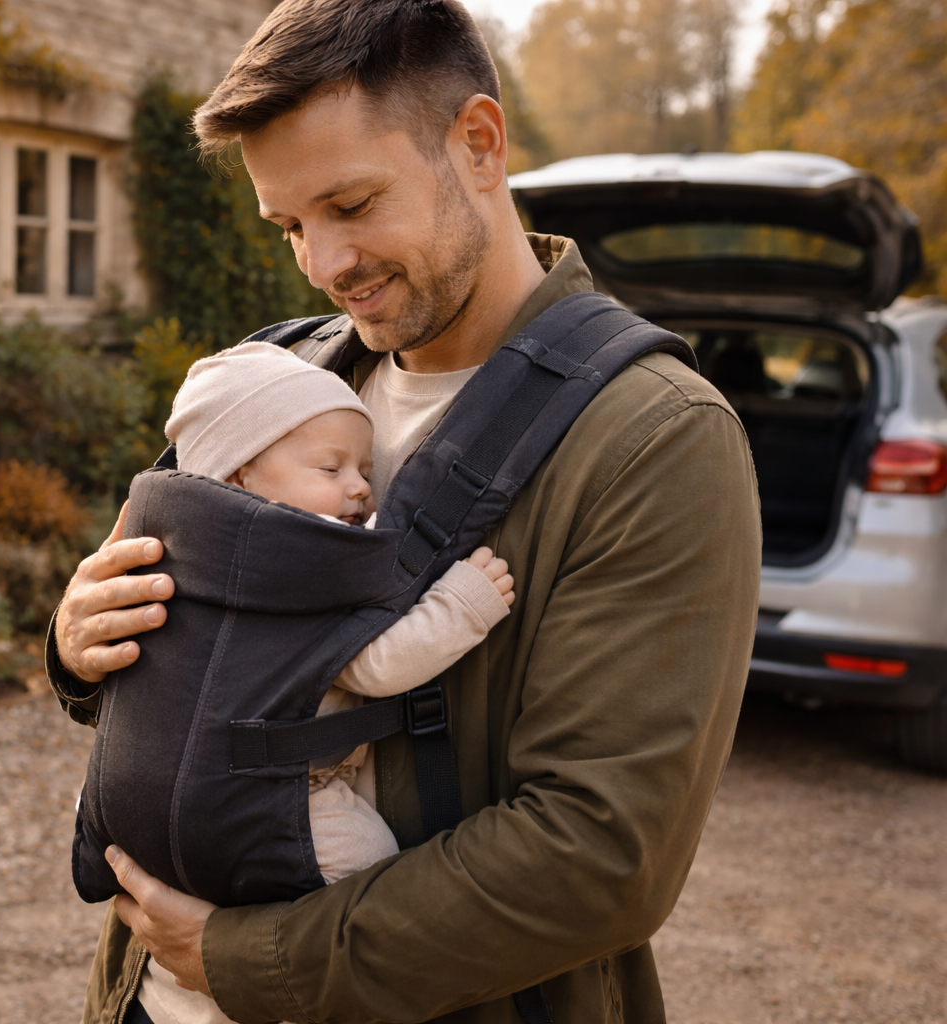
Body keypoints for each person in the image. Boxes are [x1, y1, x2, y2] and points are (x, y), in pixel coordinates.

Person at [47, 1, 762, 1021]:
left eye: (351, 203)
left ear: (477, 142)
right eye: (292, 225)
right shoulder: (277, 377)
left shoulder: (654, 439)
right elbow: (154, 642)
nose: (326, 265)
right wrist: (78, 637)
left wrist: (253, 957)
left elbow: (600, 854)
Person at [139, 340, 515, 1024]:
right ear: (242, 475)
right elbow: (371, 665)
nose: (361, 487)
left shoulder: (183, 547)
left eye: (365, 469)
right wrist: (462, 605)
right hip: (289, 792)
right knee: (371, 873)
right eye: (330, 466)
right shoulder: (288, 564)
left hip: (168, 783)